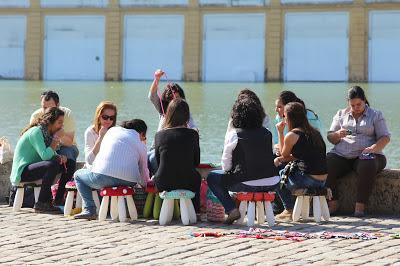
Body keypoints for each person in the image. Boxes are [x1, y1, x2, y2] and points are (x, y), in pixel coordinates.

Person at [207, 97, 280, 225]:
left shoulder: (234, 134)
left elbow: (226, 165)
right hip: (272, 181)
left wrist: (232, 172)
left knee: (212, 177)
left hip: (247, 182)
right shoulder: (267, 133)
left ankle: (231, 209)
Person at [326, 86, 390, 217]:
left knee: (368, 164)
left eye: (359, 104)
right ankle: (333, 203)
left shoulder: (375, 115)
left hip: (366, 155)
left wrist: (373, 148)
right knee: (326, 163)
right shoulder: (340, 114)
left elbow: (385, 137)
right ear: (348, 103)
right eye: (352, 105)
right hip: (342, 155)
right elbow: (330, 137)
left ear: (364, 100)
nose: (356, 107)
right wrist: (337, 134)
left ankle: (360, 206)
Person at [74, 119, 150, 220]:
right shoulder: (141, 145)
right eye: (144, 136)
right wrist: (146, 186)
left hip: (103, 177)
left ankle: (90, 209)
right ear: (141, 133)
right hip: (129, 181)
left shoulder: (112, 131)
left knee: (78, 175)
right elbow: (144, 171)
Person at [274, 102, 327, 221]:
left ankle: (288, 209)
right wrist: (281, 158)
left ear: (290, 118)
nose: (284, 120)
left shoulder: (292, 135)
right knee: (284, 168)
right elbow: (302, 155)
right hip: (323, 180)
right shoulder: (315, 132)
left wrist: (280, 132)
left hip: (308, 180)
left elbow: (284, 153)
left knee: (279, 175)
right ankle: (290, 209)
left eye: (285, 117)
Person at [10, 107, 66, 213]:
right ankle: (41, 203)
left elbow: (49, 153)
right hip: (22, 172)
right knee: (52, 164)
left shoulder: (46, 134)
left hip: (33, 167)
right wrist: (56, 139)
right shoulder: (36, 132)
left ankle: (57, 199)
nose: (61, 126)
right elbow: (45, 156)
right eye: (59, 122)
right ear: (51, 122)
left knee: (67, 163)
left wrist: (61, 157)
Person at [152, 98, 201, 213]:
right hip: (189, 181)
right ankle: (195, 211)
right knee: (197, 176)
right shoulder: (193, 134)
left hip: (163, 182)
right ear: (187, 116)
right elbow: (196, 162)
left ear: (168, 114)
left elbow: (158, 162)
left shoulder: (159, 135)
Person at [30, 90, 78, 205]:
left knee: (69, 157)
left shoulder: (67, 114)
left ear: (58, 105)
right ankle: (45, 199)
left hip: (65, 146)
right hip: (45, 147)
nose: (46, 112)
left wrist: (57, 135)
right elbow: (32, 139)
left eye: (50, 108)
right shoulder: (36, 115)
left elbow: (69, 142)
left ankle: (59, 196)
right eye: (43, 107)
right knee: (49, 160)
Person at [148, 69, 197, 175]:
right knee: (150, 157)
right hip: (158, 149)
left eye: (178, 98)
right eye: (172, 99)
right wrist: (157, 79)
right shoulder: (163, 111)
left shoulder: (186, 114)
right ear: (167, 101)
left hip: (177, 149)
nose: (175, 102)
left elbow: (194, 129)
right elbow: (152, 96)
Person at [84, 101, 117, 170]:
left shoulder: (116, 132)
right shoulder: (90, 132)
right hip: (93, 169)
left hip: (109, 170)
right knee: (77, 174)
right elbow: (89, 161)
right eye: (105, 117)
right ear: (98, 116)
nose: (108, 120)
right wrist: (101, 137)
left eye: (112, 118)